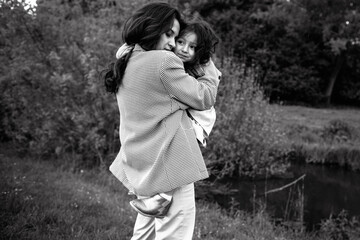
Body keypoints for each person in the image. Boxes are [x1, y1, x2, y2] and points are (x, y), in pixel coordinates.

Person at [101, 3, 220, 240]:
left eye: (175, 36)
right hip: (170, 162)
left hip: (144, 164)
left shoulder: (127, 59)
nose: (173, 44)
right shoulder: (164, 62)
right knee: (174, 235)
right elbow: (205, 97)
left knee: (143, 235)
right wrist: (206, 61)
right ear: (151, 28)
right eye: (169, 34)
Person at [127, 19, 221, 219]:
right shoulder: (167, 62)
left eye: (193, 47)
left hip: (197, 120)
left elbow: (204, 96)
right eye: (181, 42)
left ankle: (162, 197)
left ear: (200, 51)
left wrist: (207, 64)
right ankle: (158, 196)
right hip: (184, 116)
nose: (185, 49)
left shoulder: (197, 66)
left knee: (176, 154)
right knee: (170, 153)